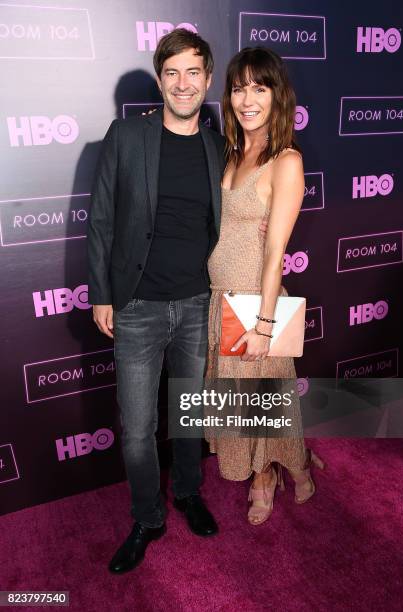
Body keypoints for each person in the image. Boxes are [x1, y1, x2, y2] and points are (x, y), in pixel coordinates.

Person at [87, 29, 225, 574]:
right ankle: (147, 517)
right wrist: (102, 295)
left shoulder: (218, 146)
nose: (183, 83)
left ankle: (189, 492)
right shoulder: (127, 136)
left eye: (194, 72)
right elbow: (99, 221)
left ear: (208, 80)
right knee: (139, 428)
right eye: (172, 73)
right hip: (137, 308)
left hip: (197, 304)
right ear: (159, 80)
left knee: (189, 413)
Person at [206, 47, 324, 525]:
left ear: (278, 95)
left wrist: (264, 324)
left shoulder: (286, 160)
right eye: (238, 88)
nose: (247, 99)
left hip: (256, 306)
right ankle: (292, 467)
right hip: (220, 301)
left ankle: (273, 475)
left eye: (259, 87)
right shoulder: (232, 152)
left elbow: (275, 251)